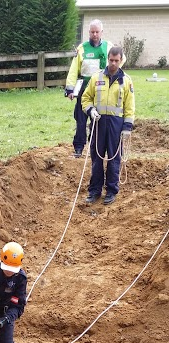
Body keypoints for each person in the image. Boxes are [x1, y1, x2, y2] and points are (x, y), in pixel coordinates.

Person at [81, 45, 135, 205]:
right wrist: (90, 110)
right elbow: (86, 98)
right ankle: (94, 191)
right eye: (111, 60)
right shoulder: (96, 77)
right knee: (97, 158)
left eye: (116, 61)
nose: (113, 63)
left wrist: (127, 128)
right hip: (98, 122)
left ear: (121, 60)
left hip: (116, 125)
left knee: (114, 158)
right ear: (108, 59)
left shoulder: (126, 81)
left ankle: (111, 190)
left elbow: (130, 106)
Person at [65, 19, 119, 158]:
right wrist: (70, 89)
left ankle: (95, 146)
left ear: (101, 32)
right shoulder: (82, 48)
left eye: (97, 32)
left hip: (101, 90)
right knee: (81, 120)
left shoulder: (108, 47)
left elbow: (118, 62)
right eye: (92, 32)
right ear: (89, 32)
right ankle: (78, 147)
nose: (94, 34)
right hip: (84, 90)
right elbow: (73, 69)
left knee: (99, 120)